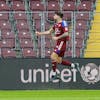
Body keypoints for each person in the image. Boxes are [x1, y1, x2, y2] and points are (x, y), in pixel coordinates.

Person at [36, 11, 78, 81]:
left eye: (55, 15)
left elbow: (66, 34)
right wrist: (39, 33)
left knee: (53, 56)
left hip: (61, 42)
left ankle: (54, 74)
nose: (53, 16)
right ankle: (74, 65)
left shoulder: (63, 23)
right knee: (58, 60)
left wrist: (57, 38)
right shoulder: (56, 25)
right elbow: (49, 32)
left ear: (58, 16)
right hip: (59, 43)